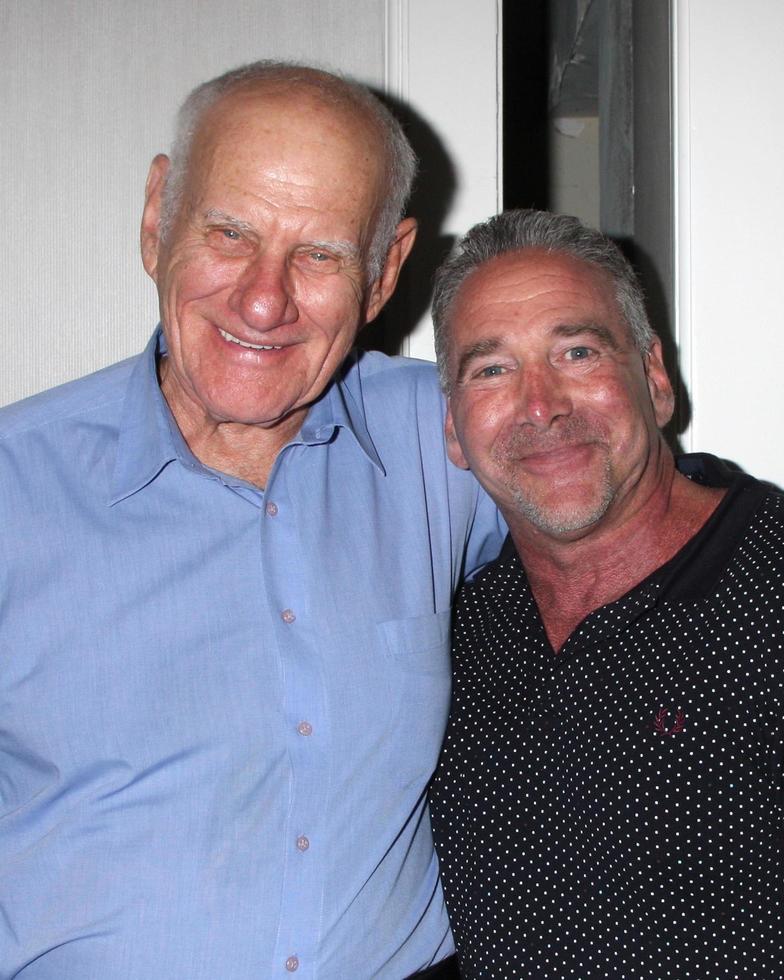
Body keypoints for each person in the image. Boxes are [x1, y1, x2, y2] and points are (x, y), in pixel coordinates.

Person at [0, 62, 504, 979]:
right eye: (230, 232)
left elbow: (638, 507)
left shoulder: (452, 439)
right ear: (158, 217)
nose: (263, 301)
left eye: (318, 254)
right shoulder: (10, 490)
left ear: (386, 269)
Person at [428, 208, 784, 978]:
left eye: (578, 351)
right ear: (453, 429)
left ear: (654, 379)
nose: (541, 404)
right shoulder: (456, 637)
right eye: (491, 369)